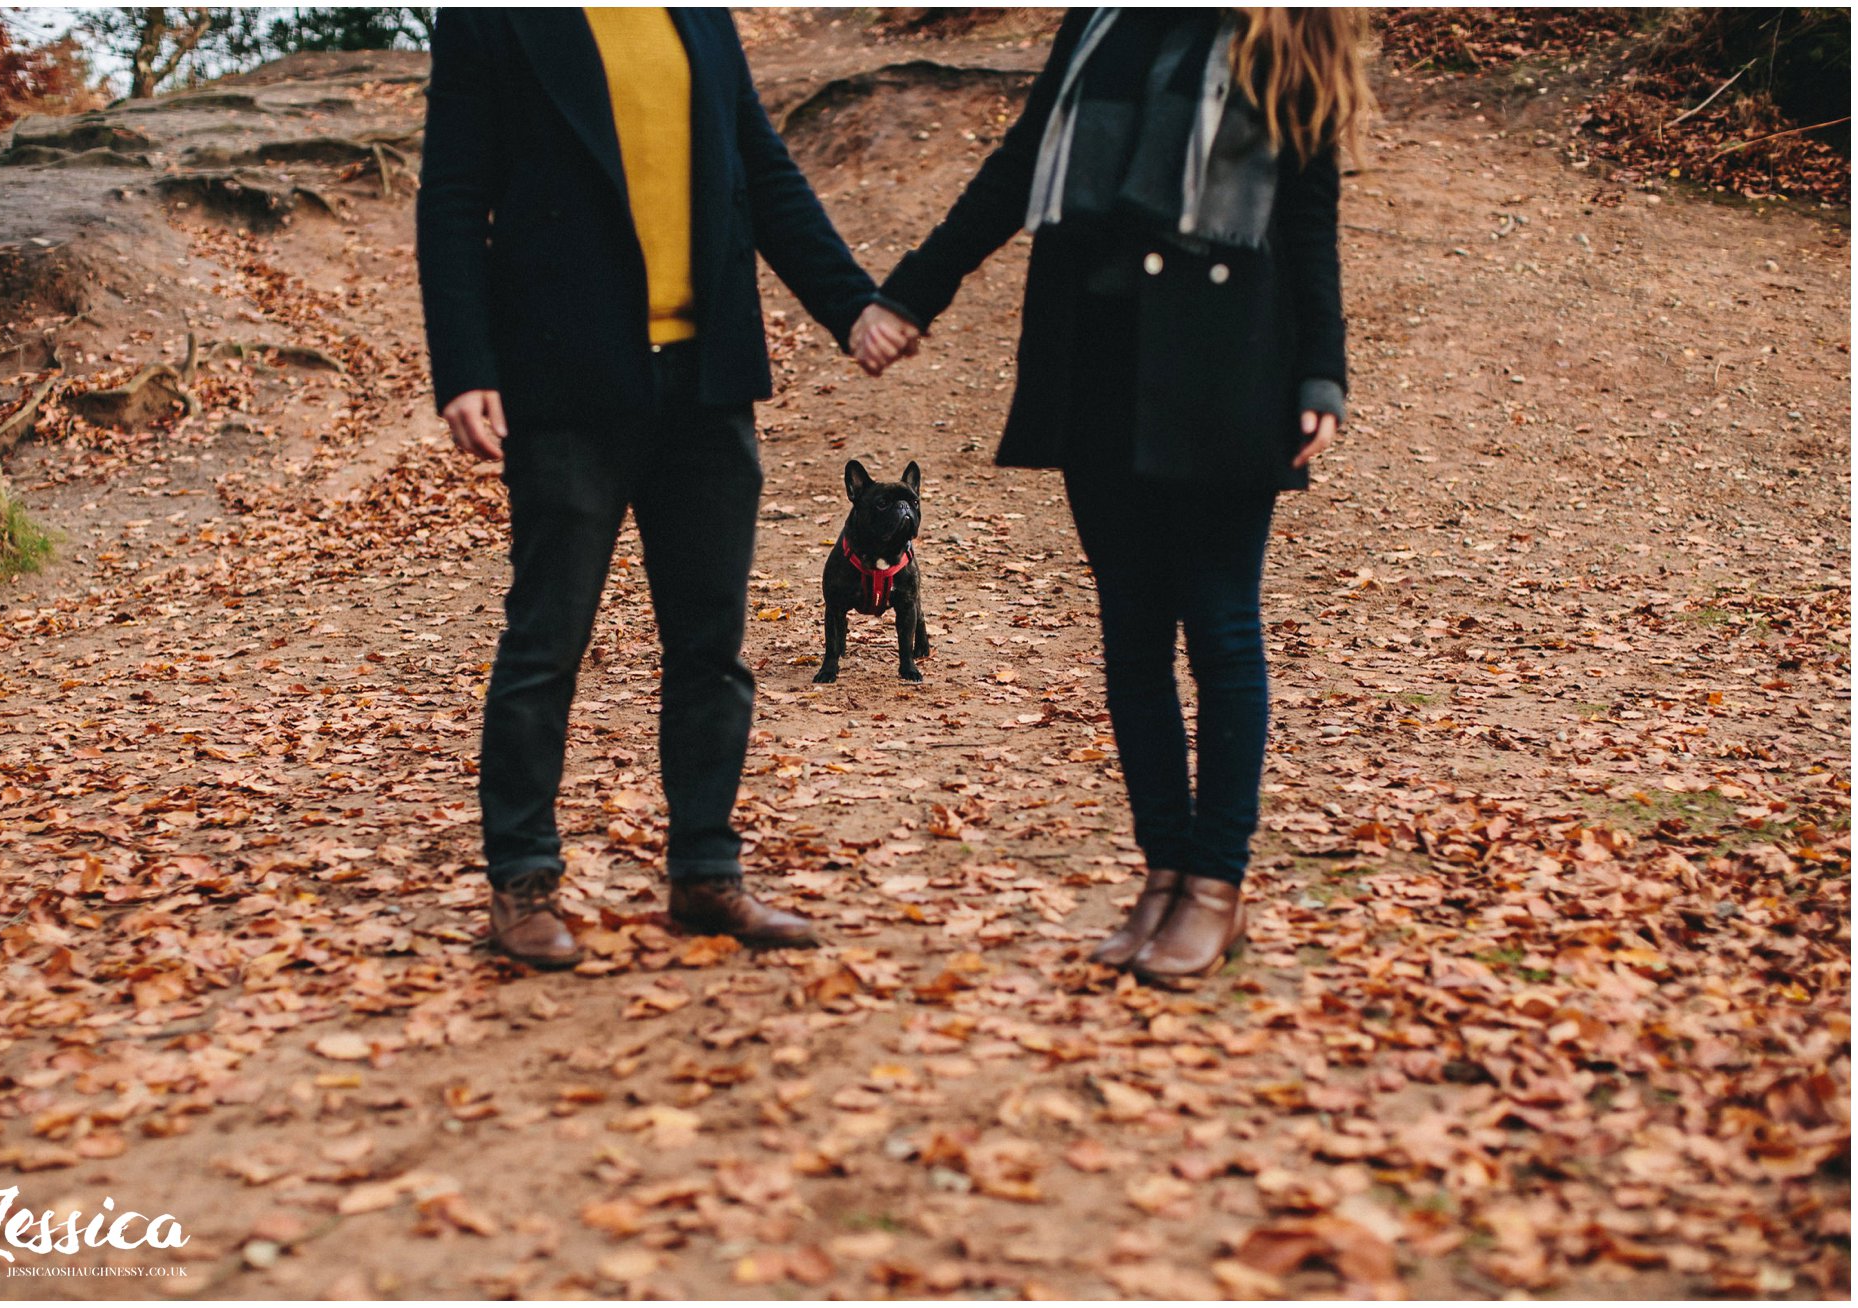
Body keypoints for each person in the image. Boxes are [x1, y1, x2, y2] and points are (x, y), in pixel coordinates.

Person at [857, 8, 1371, 984]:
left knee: (1219, 630)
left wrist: (1321, 374)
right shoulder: (1100, 17)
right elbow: (1020, 164)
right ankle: (1162, 873)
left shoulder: (1282, 26)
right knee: (1131, 634)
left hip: (1225, 366)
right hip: (1095, 358)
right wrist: (912, 290)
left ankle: (1214, 887)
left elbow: (1308, 214)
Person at [418, 9, 901, 967]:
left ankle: (706, 875)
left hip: (706, 383)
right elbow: (452, 195)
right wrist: (466, 365)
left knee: (711, 646)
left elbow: (761, 173)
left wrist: (851, 306)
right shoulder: (491, 18)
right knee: (546, 642)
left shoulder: (696, 13)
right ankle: (521, 885)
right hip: (564, 385)